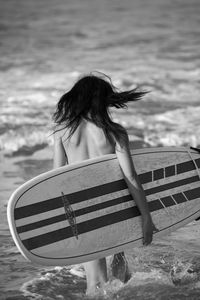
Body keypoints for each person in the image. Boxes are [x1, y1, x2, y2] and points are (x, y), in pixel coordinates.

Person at [52, 72, 157, 295]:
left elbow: (56, 179)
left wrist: (59, 221)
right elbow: (130, 177)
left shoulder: (62, 132)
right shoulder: (115, 132)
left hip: (82, 211)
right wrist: (146, 216)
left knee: (96, 282)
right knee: (120, 268)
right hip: (113, 206)